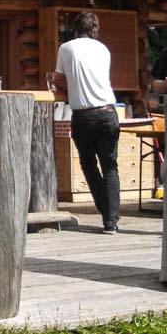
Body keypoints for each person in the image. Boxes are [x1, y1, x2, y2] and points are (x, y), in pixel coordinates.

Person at [52, 12, 121, 234]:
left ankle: (106, 209)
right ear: (95, 30)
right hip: (108, 111)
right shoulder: (103, 49)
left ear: (75, 29)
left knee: (88, 163)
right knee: (110, 166)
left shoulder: (65, 48)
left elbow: (59, 79)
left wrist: (63, 86)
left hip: (83, 114)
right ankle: (111, 220)